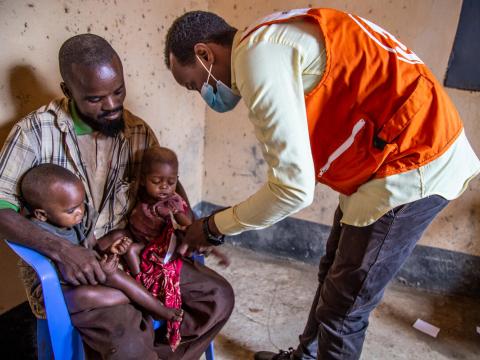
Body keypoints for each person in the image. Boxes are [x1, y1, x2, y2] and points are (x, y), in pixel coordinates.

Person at [164, 8, 480, 360]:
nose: (203, 94)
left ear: (205, 54)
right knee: (333, 269)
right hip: (382, 157)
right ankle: (307, 356)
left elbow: (293, 190)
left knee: (343, 311)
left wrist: (212, 226)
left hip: (413, 161)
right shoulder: (272, 37)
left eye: (195, 84)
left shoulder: (257, 58)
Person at [0, 33, 234, 359]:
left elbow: (167, 183)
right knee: (127, 336)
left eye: (118, 91)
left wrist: (188, 223)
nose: (112, 105)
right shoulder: (35, 133)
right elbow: (2, 208)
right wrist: (64, 251)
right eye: (96, 98)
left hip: (134, 253)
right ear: (68, 92)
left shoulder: (137, 130)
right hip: (76, 271)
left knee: (218, 297)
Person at [20, 163, 184, 324]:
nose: (80, 212)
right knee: (86, 296)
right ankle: (141, 301)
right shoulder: (39, 232)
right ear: (42, 214)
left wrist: (107, 255)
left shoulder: (79, 217)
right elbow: (58, 270)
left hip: (86, 272)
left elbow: (92, 248)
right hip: (57, 288)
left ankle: (155, 306)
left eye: (81, 204)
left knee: (114, 273)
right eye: (71, 210)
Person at [113, 146, 230, 351]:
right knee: (130, 250)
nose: (164, 188)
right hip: (142, 246)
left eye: (171, 182)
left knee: (135, 252)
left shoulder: (172, 202)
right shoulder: (137, 197)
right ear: (143, 179)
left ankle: (146, 292)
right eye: (157, 182)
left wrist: (212, 247)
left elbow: (188, 227)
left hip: (163, 249)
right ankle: (144, 287)